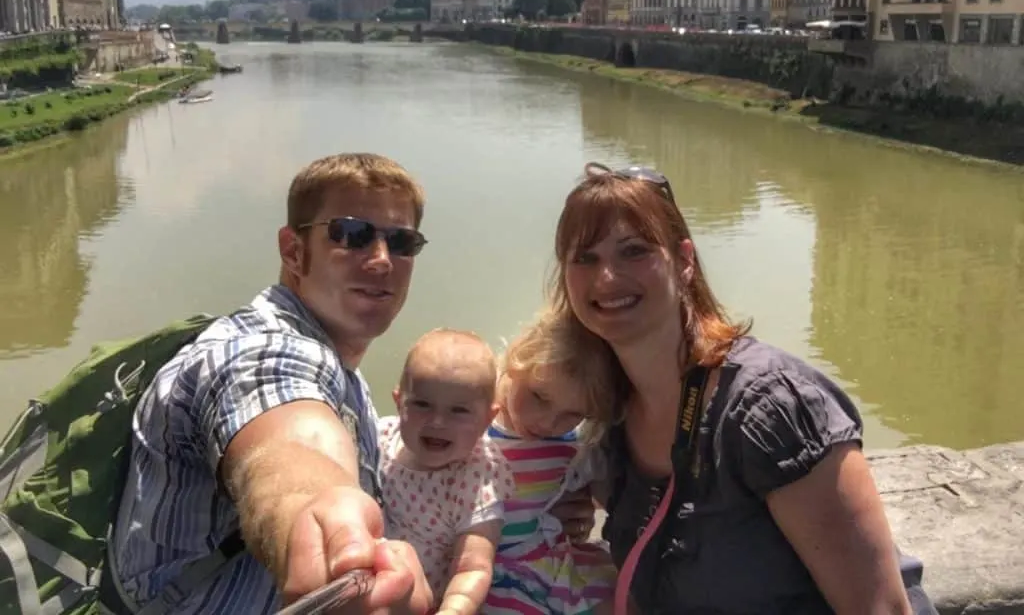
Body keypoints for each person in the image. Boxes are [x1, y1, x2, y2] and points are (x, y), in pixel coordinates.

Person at [546, 161, 937, 615]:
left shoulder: (769, 407)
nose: (607, 278)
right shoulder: (609, 415)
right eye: (585, 258)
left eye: (633, 251)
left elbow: (881, 608)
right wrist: (546, 506)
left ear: (685, 261)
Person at [108, 152, 435, 614]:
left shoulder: (346, 373)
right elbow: (284, 440)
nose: (382, 260)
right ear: (293, 251)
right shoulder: (253, 350)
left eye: (402, 242)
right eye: (352, 234)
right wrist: (319, 522)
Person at [482, 308, 623, 615]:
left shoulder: (572, 447)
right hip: (479, 566)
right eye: (539, 397)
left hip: (545, 563)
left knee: (625, 599)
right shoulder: (472, 422)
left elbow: (615, 500)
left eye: (573, 414)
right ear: (517, 359)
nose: (548, 423)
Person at [378, 328, 516, 615]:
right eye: (422, 404)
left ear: (487, 419)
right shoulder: (381, 437)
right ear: (399, 402)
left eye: (459, 411)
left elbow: (473, 567)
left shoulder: (476, 477)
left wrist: (453, 609)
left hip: (429, 605)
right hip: (366, 586)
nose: (438, 421)